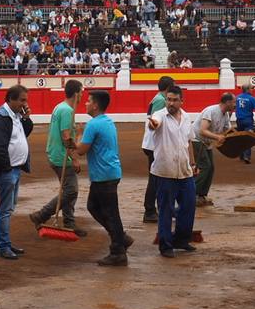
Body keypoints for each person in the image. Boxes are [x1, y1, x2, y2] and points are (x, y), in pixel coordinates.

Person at [76, 89, 131, 266]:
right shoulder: (107, 122)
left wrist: (76, 137)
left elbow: (81, 150)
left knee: (109, 213)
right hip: (109, 172)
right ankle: (120, 238)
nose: (85, 103)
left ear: (95, 105)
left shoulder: (93, 125)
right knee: (96, 207)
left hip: (103, 174)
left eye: (88, 100)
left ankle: (118, 250)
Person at [28, 79, 86, 237]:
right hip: (62, 156)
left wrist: (78, 133)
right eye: (81, 92)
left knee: (67, 189)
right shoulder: (67, 110)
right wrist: (74, 158)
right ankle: (42, 215)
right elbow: (66, 137)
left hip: (54, 153)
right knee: (71, 191)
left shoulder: (59, 107)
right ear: (76, 93)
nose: (82, 95)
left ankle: (69, 222)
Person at [146, 86, 197, 257]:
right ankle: (165, 245)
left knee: (188, 207)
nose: (171, 103)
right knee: (166, 210)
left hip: (185, 171)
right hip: (165, 172)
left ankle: (181, 240)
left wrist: (193, 163)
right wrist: (152, 125)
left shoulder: (187, 117)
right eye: (169, 99)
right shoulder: (160, 115)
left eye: (175, 100)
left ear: (181, 101)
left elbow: (189, 142)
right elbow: (154, 123)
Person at [0, 84, 34, 260]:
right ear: (11, 99)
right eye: (22, 100)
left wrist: (26, 118)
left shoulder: (14, 115)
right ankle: (3, 245)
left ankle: (5, 243)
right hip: (7, 171)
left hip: (14, 169)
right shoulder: (1, 117)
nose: (25, 104)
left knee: (9, 208)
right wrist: (6, 169)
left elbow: (23, 134)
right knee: (5, 209)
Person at [139, 75, 174, 224]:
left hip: (151, 144)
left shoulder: (157, 98)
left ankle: (153, 209)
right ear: (168, 88)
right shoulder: (161, 100)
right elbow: (159, 122)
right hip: (154, 145)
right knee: (155, 178)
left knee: (156, 178)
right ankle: (150, 210)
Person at [193, 92, 234, 207]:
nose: (235, 105)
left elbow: (228, 131)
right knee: (205, 166)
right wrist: (218, 137)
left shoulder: (225, 115)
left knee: (211, 168)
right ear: (228, 102)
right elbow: (202, 130)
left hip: (207, 142)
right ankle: (192, 195)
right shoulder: (211, 111)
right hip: (197, 140)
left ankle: (201, 195)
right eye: (234, 102)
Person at [233, 83, 255, 164]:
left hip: (239, 120)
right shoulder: (252, 98)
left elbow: (232, 108)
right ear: (247, 89)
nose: (253, 89)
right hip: (248, 121)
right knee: (248, 138)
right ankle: (247, 156)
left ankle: (241, 155)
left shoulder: (237, 97)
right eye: (252, 88)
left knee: (240, 137)